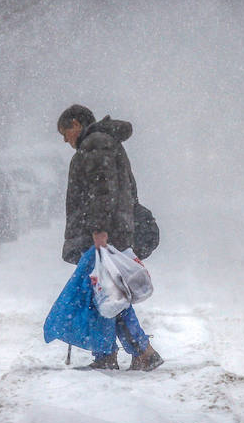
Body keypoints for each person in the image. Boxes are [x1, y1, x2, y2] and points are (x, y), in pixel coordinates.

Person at [57, 104, 164, 371]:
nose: (65, 139)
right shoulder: (101, 142)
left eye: (65, 132)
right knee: (105, 293)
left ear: (76, 123)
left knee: (108, 293)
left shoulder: (96, 144)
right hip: (107, 230)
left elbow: (102, 190)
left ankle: (129, 352)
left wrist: (99, 229)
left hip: (104, 234)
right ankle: (124, 352)